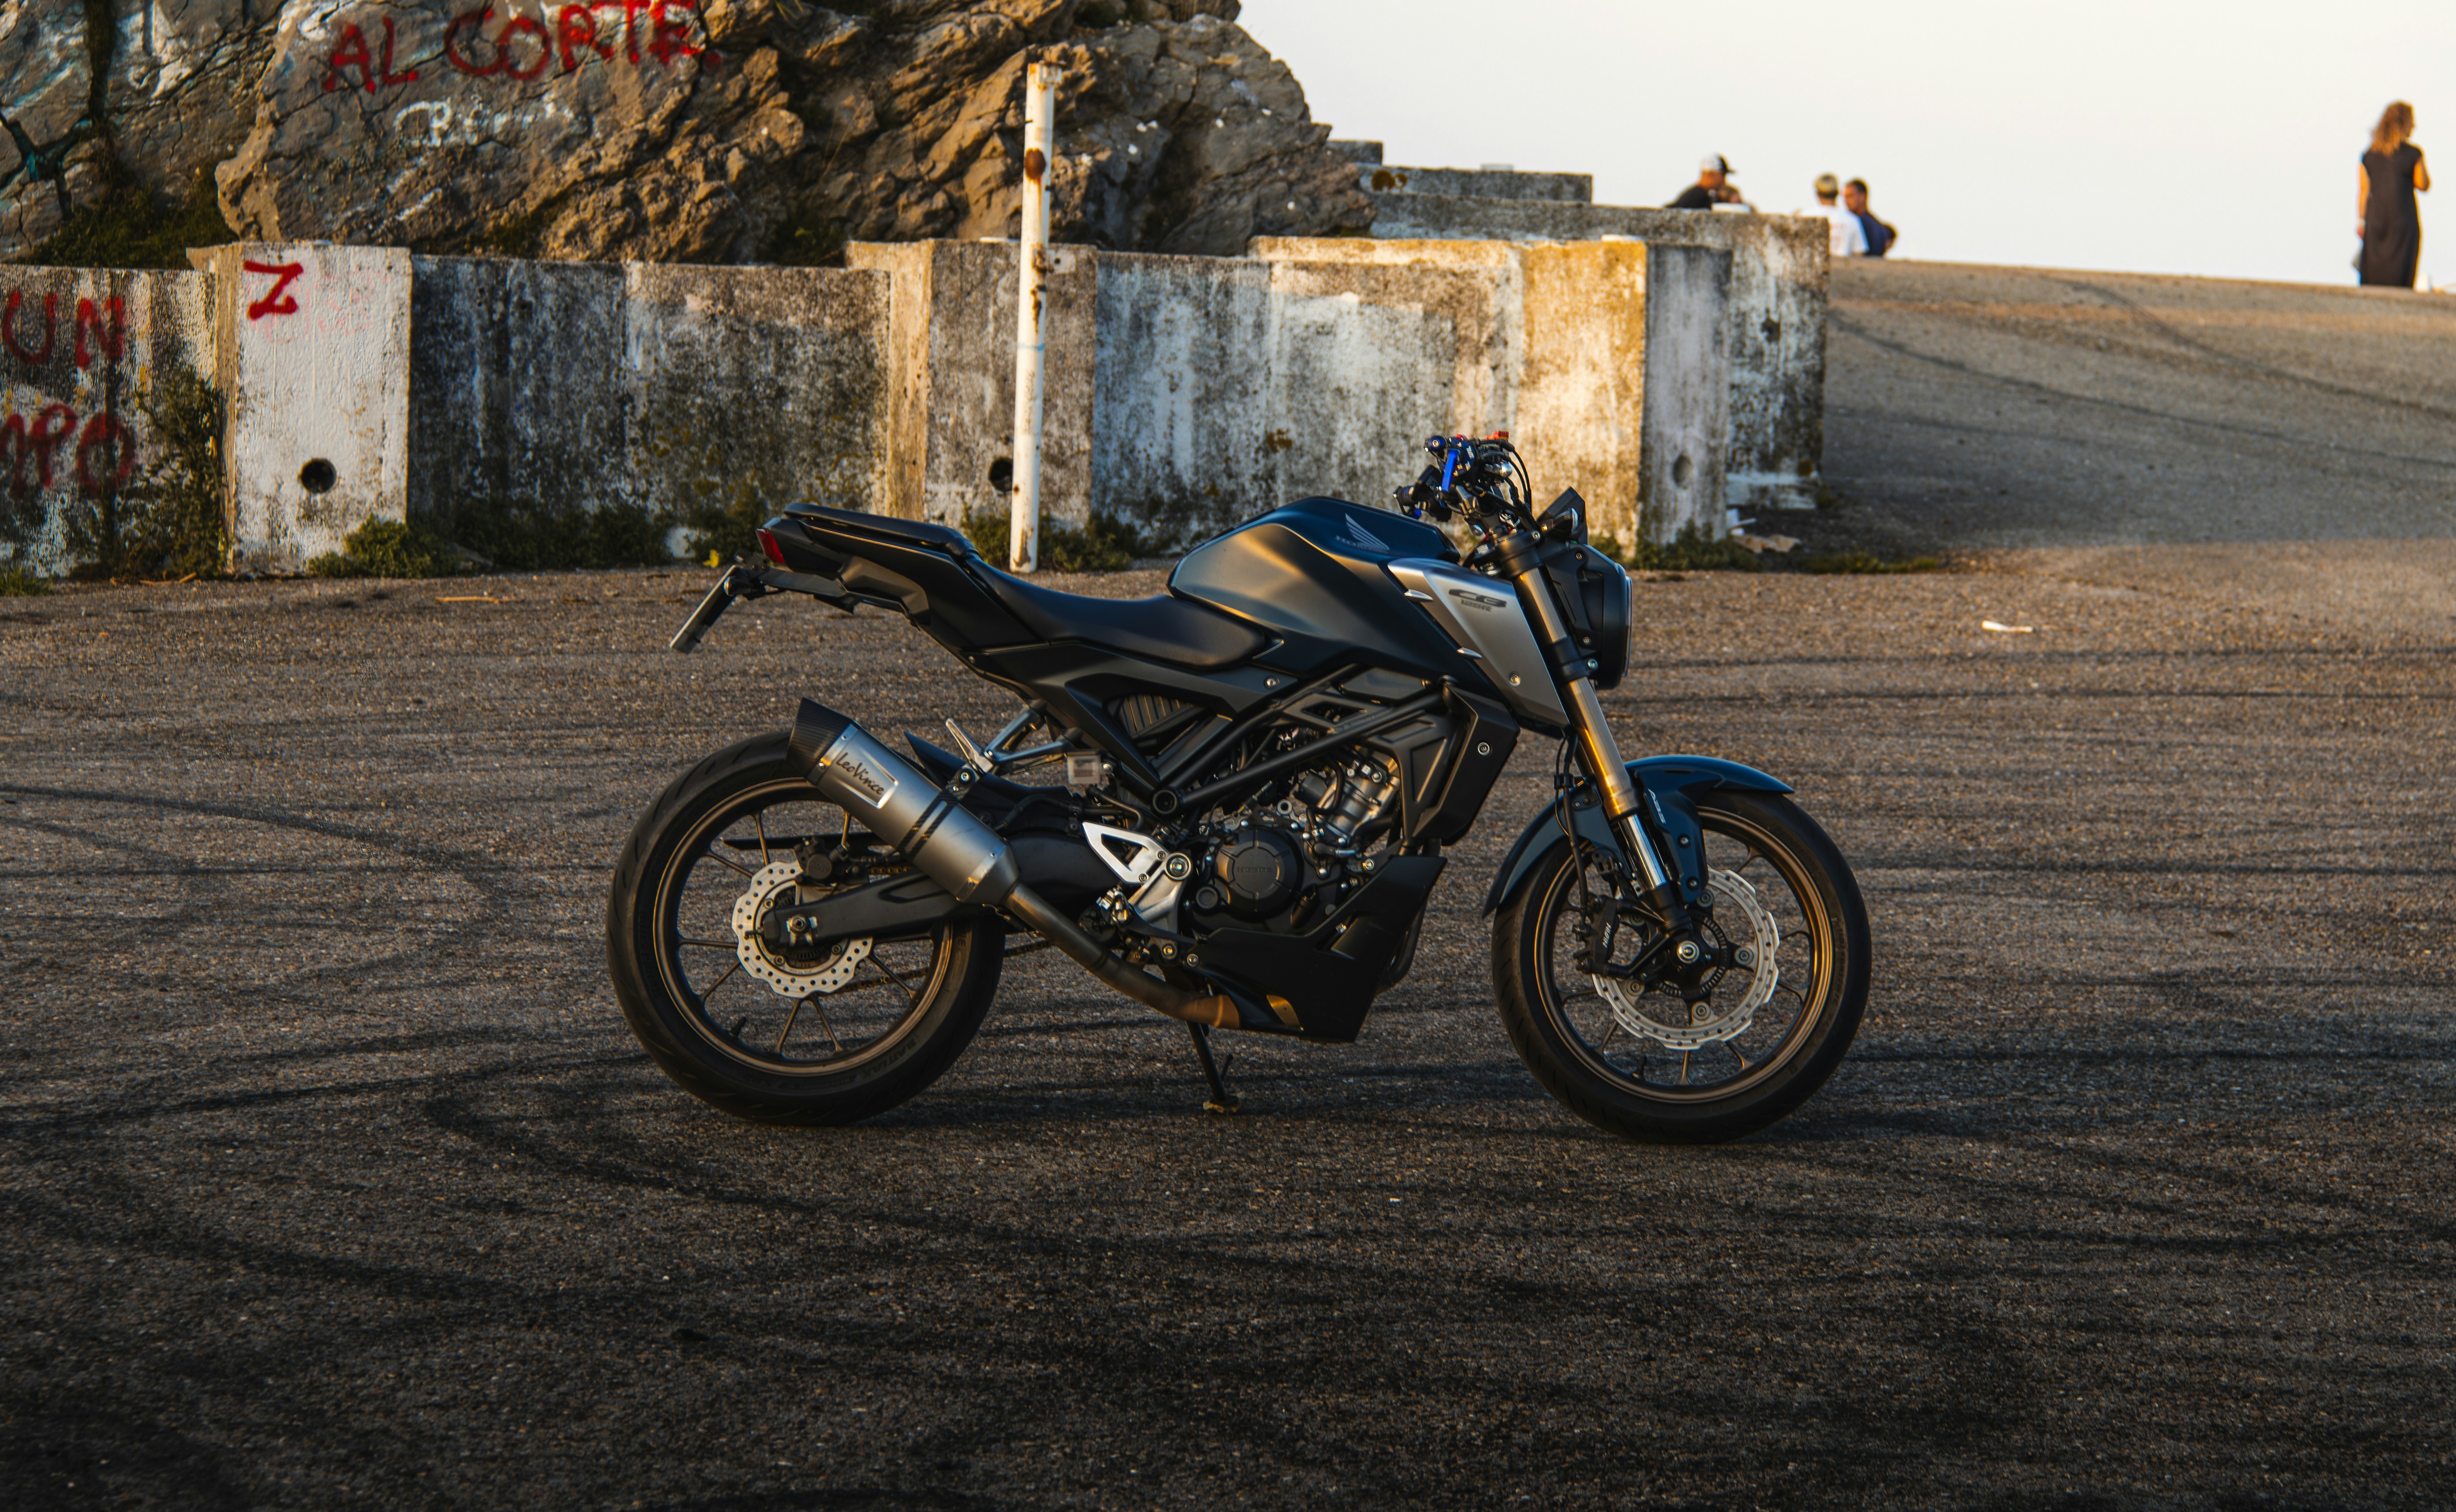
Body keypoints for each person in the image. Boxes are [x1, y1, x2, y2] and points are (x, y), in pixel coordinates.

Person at [2359, 102, 2429, 288]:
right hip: (2403, 219)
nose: (2414, 127)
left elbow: (2364, 191)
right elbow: (2423, 184)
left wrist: (2361, 222)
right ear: (2404, 124)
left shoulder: (2369, 155)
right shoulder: (2413, 154)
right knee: (2401, 271)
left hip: (2376, 219)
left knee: (2374, 271)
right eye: (2412, 122)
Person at [1796, 173, 1866, 257]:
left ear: (1818, 194)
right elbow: (1859, 254)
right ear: (1837, 194)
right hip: (1843, 269)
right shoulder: (1852, 220)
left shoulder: (1804, 217)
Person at [1843, 178, 1897, 257]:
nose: (1846, 201)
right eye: (1845, 197)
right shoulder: (1876, 224)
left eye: (1850, 196)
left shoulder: (1861, 223)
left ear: (1862, 197)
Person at [1669, 155, 1740, 210]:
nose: (1724, 181)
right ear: (1710, 175)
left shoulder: (1700, 194)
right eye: (1722, 175)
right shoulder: (1698, 196)